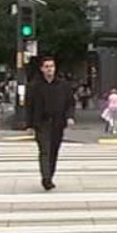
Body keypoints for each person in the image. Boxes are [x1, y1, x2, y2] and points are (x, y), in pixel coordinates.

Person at [23, 57, 75, 191]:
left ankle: (50, 176)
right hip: (41, 123)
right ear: (41, 69)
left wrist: (69, 117)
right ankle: (45, 177)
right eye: (46, 66)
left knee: (54, 151)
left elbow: (70, 103)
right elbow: (29, 106)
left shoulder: (63, 85)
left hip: (58, 122)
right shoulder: (34, 86)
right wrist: (29, 124)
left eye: (51, 66)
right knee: (44, 150)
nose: (49, 69)